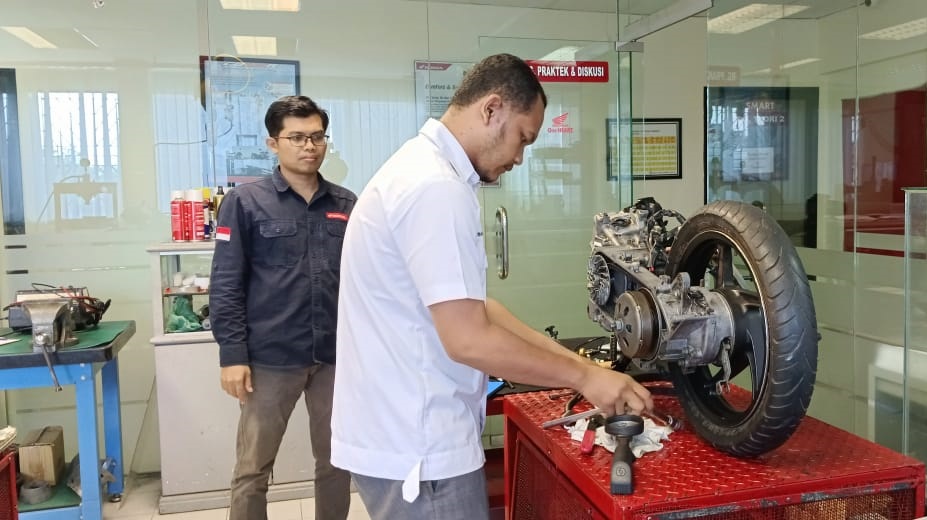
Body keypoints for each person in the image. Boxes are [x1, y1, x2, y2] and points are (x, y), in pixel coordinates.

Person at [332, 53, 654, 519]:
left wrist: (582, 367)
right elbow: (468, 338)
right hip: (423, 452)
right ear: (492, 109)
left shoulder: (426, 172)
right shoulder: (435, 188)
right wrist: (584, 379)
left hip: (402, 436)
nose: (520, 158)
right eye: (523, 138)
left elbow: (479, 308)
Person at [210, 95, 356, 520]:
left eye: (317, 136)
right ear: (273, 143)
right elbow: (226, 283)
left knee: (336, 462)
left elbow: (363, 282)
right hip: (270, 357)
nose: (309, 146)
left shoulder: (346, 203)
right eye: (297, 137)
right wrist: (232, 356)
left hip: (333, 356)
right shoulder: (245, 202)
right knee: (253, 467)